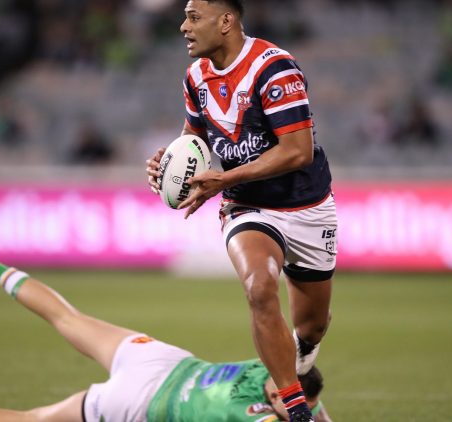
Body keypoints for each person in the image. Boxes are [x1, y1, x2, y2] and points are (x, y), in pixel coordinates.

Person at [145, 2, 336, 421]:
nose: (183, 27)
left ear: (226, 21)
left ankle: (298, 355)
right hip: (248, 206)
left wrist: (224, 178)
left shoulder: (274, 67)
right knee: (258, 287)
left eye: (194, 17)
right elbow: (194, 138)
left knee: (311, 328)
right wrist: (171, 165)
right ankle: (295, 407)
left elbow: (298, 151)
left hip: (307, 206)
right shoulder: (196, 77)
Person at [0, 245, 333, 422]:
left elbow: (300, 371)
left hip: (162, 360)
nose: (300, 411)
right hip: (143, 400)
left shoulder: (271, 364)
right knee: (35, 419)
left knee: (68, 318)